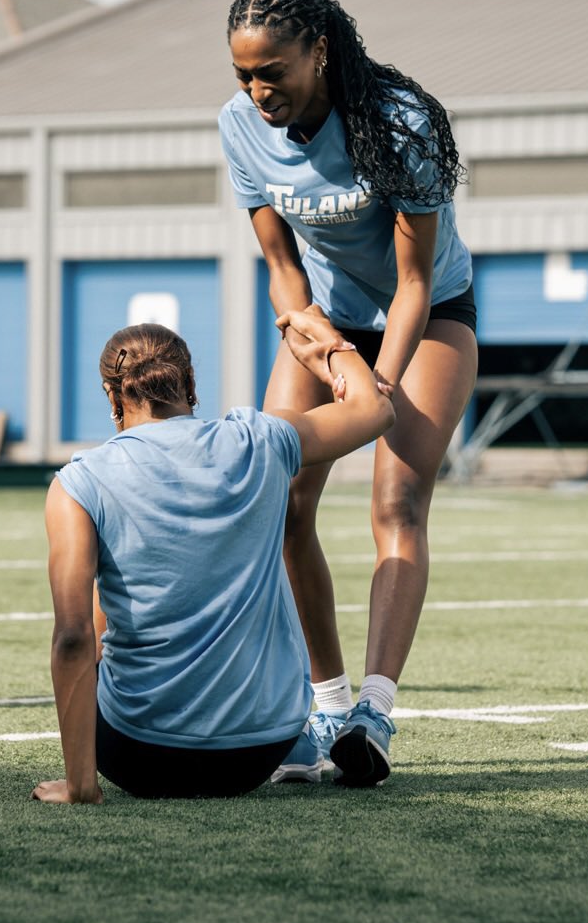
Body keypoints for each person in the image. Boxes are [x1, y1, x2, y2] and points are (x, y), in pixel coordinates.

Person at [219, 0, 478, 787]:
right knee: (282, 495)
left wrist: (380, 388)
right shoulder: (239, 128)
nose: (258, 91)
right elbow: (279, 267)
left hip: (426, 315)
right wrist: (320, 345)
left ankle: (373, 711)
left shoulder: (400, 122)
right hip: (325, 321)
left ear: (319, 51)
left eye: (274, 72)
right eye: (243, 75)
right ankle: (324, 706)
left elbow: (411, 283)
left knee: (394, 502)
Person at [32, 318, 394, 803]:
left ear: (112, 396)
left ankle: (82, 782)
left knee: (104, 586)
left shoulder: (80, 481)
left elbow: (75, 639)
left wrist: (80, 786)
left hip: (136, 756)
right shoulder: (259, 440)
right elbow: (375, 409)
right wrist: (328, 343)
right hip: (259, 752)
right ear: (191, 385)